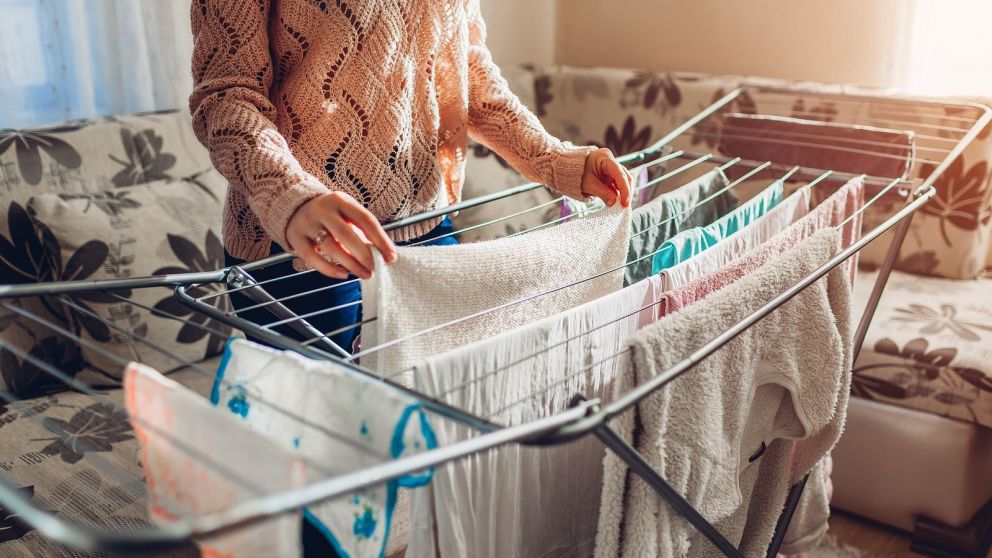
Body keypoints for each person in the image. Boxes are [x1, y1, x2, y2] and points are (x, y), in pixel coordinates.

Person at [190, 0, 632, 352]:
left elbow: (469, 73)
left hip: (426, 228)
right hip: (305, 246)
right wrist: (292, 196)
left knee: (439, 426)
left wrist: (557, 159)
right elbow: (226, 97)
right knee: (338, 447)